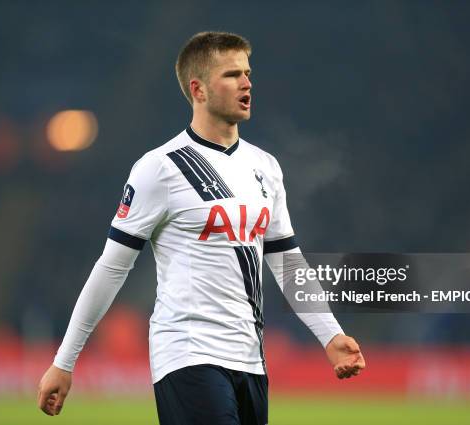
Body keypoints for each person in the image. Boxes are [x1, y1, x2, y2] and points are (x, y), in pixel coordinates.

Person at [37, 31, 365, 424]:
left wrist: (330, 334)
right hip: (187, 356)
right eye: (231, 74)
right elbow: (112, 267)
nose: (246, 83)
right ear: (199, 89)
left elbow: (286, 263)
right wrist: (64, 361)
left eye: (247, 73)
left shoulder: (266, 167)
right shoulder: (160, 168)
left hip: (250, 360)